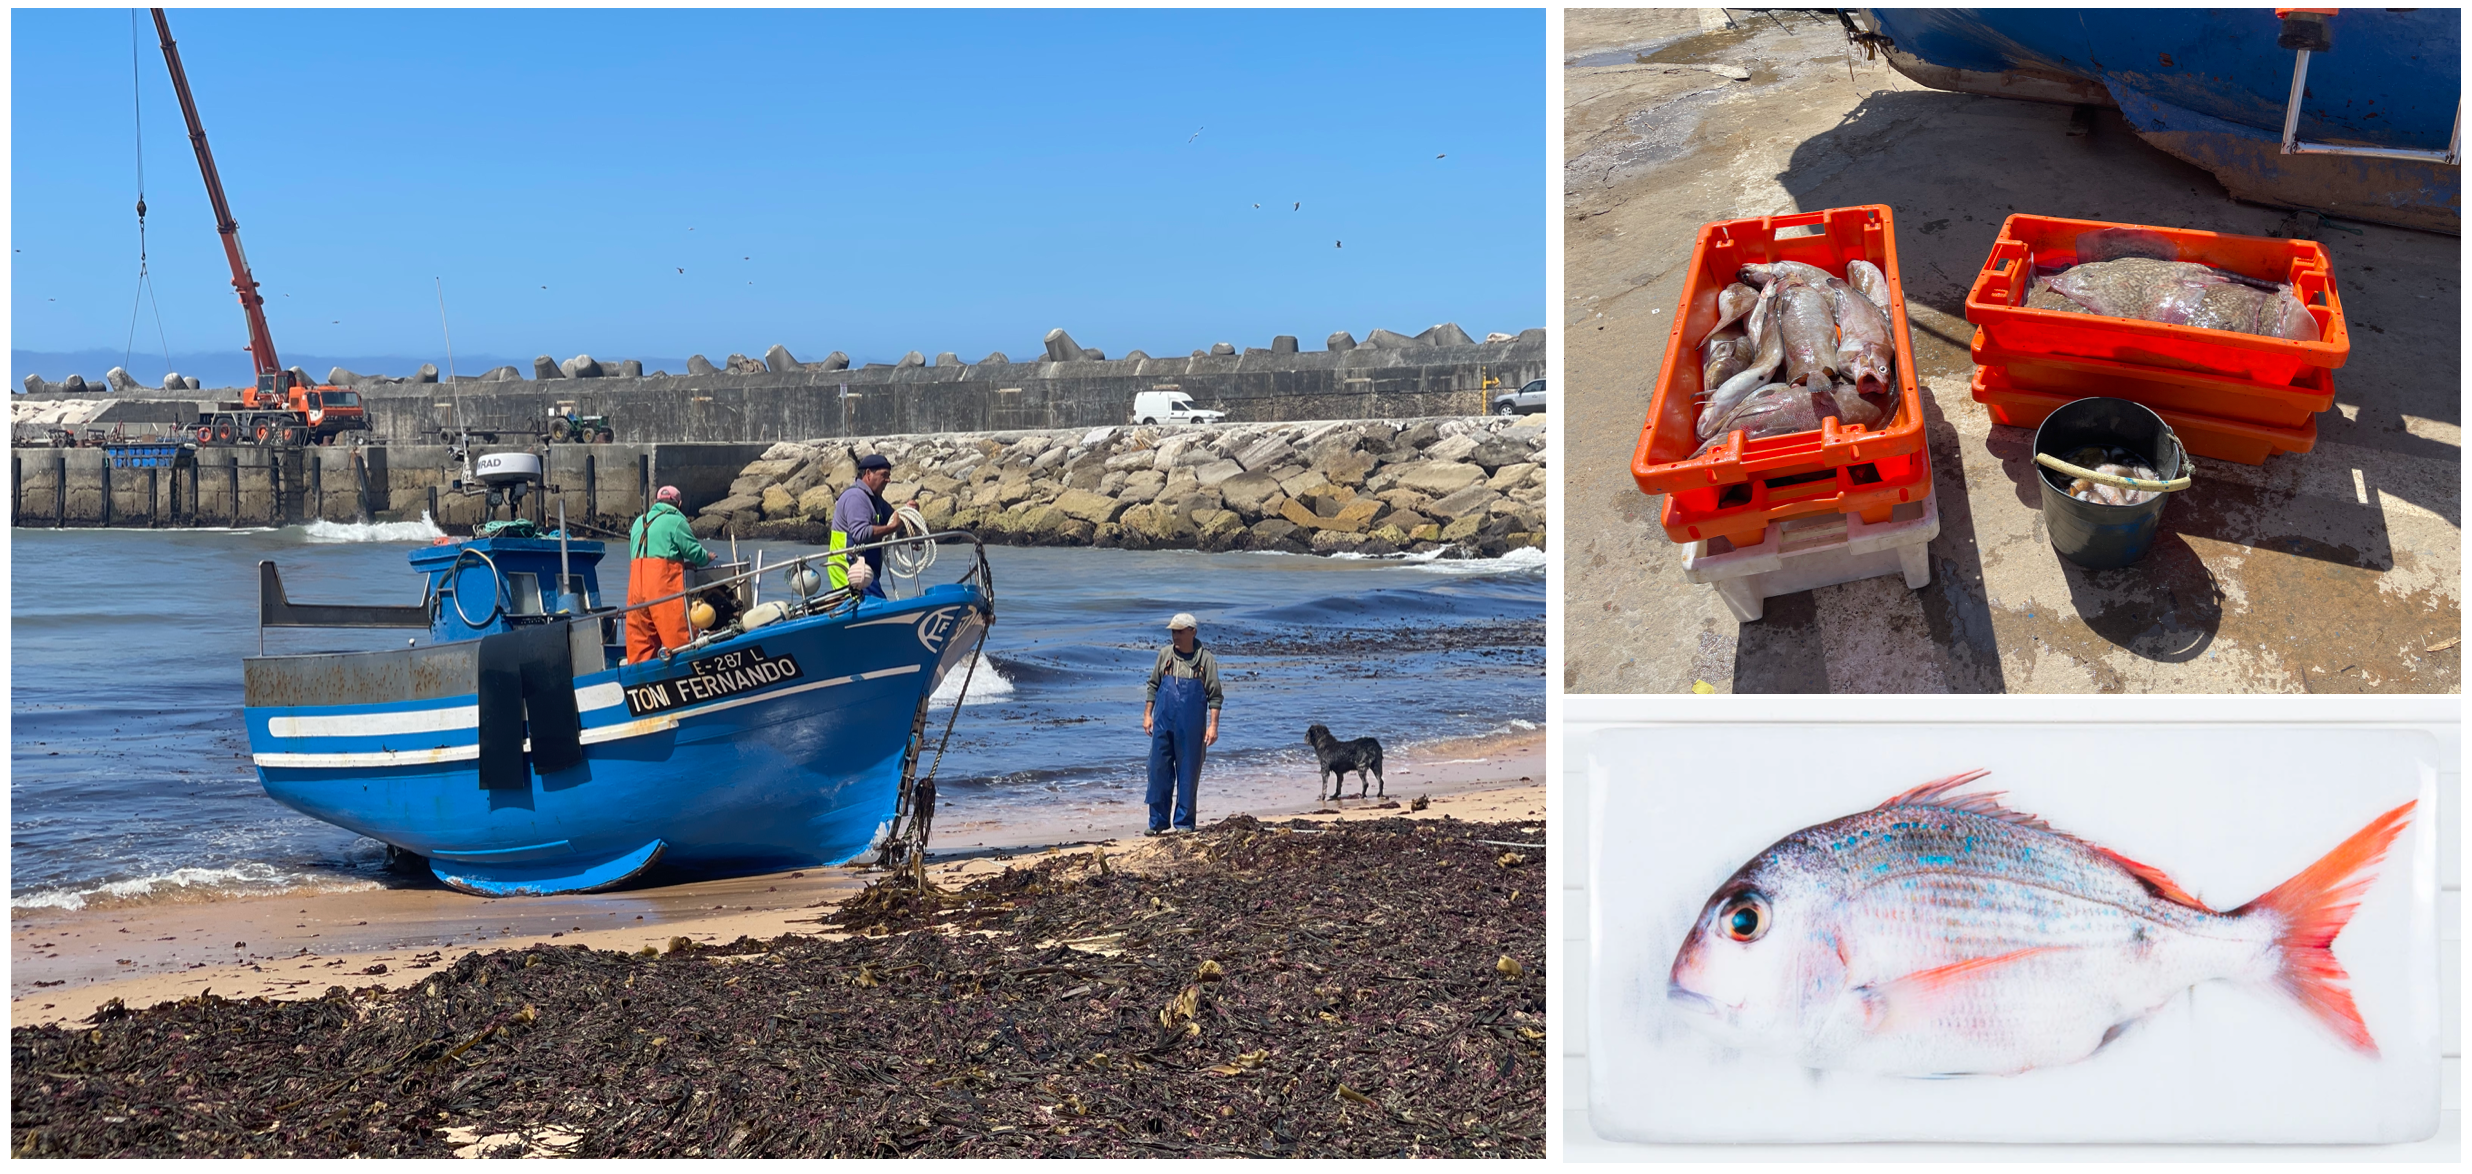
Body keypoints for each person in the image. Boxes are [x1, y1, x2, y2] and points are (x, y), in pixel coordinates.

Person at [1141, 612, 1222, 835]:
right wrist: (1147, 714)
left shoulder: (1206, 660)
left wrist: (1213, 726)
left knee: (1188, 772)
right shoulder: (1165, 655)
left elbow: (1215, 696)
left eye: (1179, 631)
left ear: (1192, 632)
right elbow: (1153, 686)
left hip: (1192, 725)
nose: (1175, 636)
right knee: (1157, 770)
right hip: (1162, 722)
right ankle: (1157, 822)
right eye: (1173, 631)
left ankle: (1184, 823)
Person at [625, 485, 712, 663]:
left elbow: (645, 555)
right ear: (679, 504)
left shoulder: (638, 522)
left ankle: (640, 683)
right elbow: (694, 552)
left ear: (656, 502)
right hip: (661, 589)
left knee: (640, 645)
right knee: (680, 643)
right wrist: (706, 558)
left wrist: (679, 563)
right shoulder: (676, 521)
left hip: (635, 591)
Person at [830, 453, 916, 599]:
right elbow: (861, 534)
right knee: (874, 605)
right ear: (868, 474)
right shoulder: (856, 497)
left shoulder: (875, 499)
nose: (888, 480)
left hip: (865, 572)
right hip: (851, 572)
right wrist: (891, 528)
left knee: (878, 603)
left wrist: (909, 512)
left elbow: (894, 518)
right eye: (884, 475)